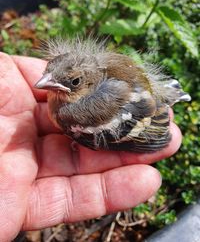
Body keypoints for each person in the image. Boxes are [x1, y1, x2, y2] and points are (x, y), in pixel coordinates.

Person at [0, 53, 182, 241]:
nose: (44, 82)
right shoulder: (67, 99)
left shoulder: (75, 114)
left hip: (143, 107)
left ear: (88, 83)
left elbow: (142, 124)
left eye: (75, 82)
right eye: (47, 74)